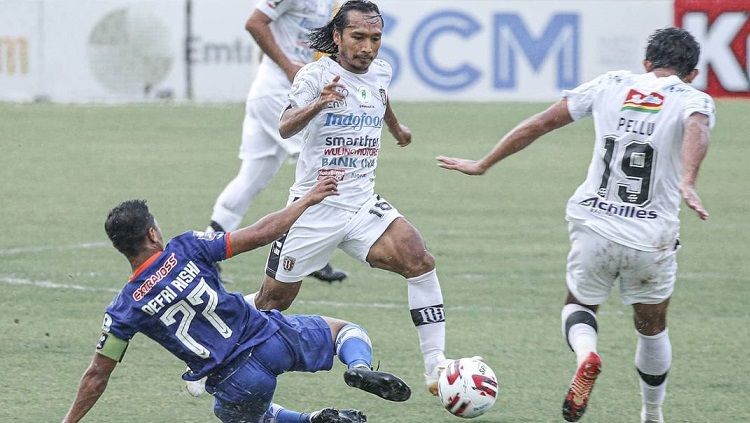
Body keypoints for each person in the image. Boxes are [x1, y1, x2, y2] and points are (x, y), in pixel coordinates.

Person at [437, 27, 714, 423]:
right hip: (651, 235)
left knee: (579, 306)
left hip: (595, 222)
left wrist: (484, 162)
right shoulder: (693, 98)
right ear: (691, 73)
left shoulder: (611, 83)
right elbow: (697, 128)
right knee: (652, 327)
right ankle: (652, 415)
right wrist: (688, 180)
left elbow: (541, 122)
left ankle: (587, 355)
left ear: (646, 63)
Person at [62, 178, 412, 423]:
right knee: (344, 332)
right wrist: (306, 200)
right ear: (153, 233)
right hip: (269, 337)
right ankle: (358, 368)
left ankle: (313, 420)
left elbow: (97, 375)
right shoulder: (186, 247)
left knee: (250, 416)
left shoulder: (123, 310)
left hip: (233, 379)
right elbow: (260, 234)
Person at [248, 0, 453, 396]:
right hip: (313, 207)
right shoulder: (314, 74)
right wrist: (320, 103)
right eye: (358, 37)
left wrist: (397, 128)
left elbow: (381, 96)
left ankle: (436, 368)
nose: (367, 47)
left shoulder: (381, 70)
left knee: (418, 258)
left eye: (375, 38)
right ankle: (213, 350)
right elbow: (286, 126)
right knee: (271, 303)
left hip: (361, 204)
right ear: (338, 36)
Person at [206, 0, 347, 283]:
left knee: (250, 179)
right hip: (277, 94)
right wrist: (287, 67)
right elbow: (254, 22)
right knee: (321, 166)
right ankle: (308, 252)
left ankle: (207, 254)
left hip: (280, 93)